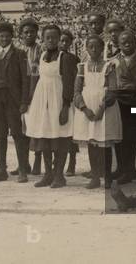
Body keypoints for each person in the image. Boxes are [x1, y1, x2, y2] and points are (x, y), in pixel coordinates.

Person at [23, 24, 78, 188]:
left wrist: (65, 107)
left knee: (60, 137)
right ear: (43, 39)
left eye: (55, 37)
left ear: (59, 38)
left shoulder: (65, 58)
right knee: (44, 137)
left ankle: (59, 175)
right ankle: (48, 174)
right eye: (48, 37)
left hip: (58, 102)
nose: (51, 40)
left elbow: (69, 84)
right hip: (42, 102)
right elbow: (37, 80)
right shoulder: (42, 56)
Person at [73, 35, 121, 189]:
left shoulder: (109, 66)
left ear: (102, 49)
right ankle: (95, 177)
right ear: (86, 49)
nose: (94, 50)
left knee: (104, 144)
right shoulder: (82, 67)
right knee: (92, 143)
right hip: (87, 110)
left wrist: (101, 109)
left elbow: (113, 89)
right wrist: (84, 109)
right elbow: (77, 91)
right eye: (90, 47)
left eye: (97, 47)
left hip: (105, 109)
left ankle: (107, 177)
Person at [0, 22, 30, 184]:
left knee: (17, 134)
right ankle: (2, 170)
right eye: (1, 36)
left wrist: (24, 101)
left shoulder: (19, 54)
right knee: (1, 134)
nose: (4, 39)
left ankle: (23, 170)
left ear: (12, 37)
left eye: (7, 36)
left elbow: (25, 79)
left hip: (13, 99)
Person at [111, 30, 136, 184]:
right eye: (123, 42)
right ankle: (129, 170)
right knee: (125, 138)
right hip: (122, 102)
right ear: (118, 45)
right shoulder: (114, 60)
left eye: (130, 41)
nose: (127, 44)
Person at [19, 18, 43, 175]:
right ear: (21, 34)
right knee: (22, 129)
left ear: (36, 34)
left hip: (36, 92)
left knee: (37, 128)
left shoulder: (40, 50)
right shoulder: (18, 50)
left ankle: (37, 162)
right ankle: (23, 162)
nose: (29, 35)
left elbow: (39, 73)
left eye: (32, 32)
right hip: (21, 93)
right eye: (26, 32)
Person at [58, 29, 80, 176]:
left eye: (67, 41)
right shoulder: (50, 56)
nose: (64, 43)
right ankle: (57, 163)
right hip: (54, 96)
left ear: (71, 43)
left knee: (70, 132)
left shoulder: (73, 59)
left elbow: (74, 79)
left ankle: (72, 163)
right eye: (62, 40)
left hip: (68, 98)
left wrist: (69, 99)